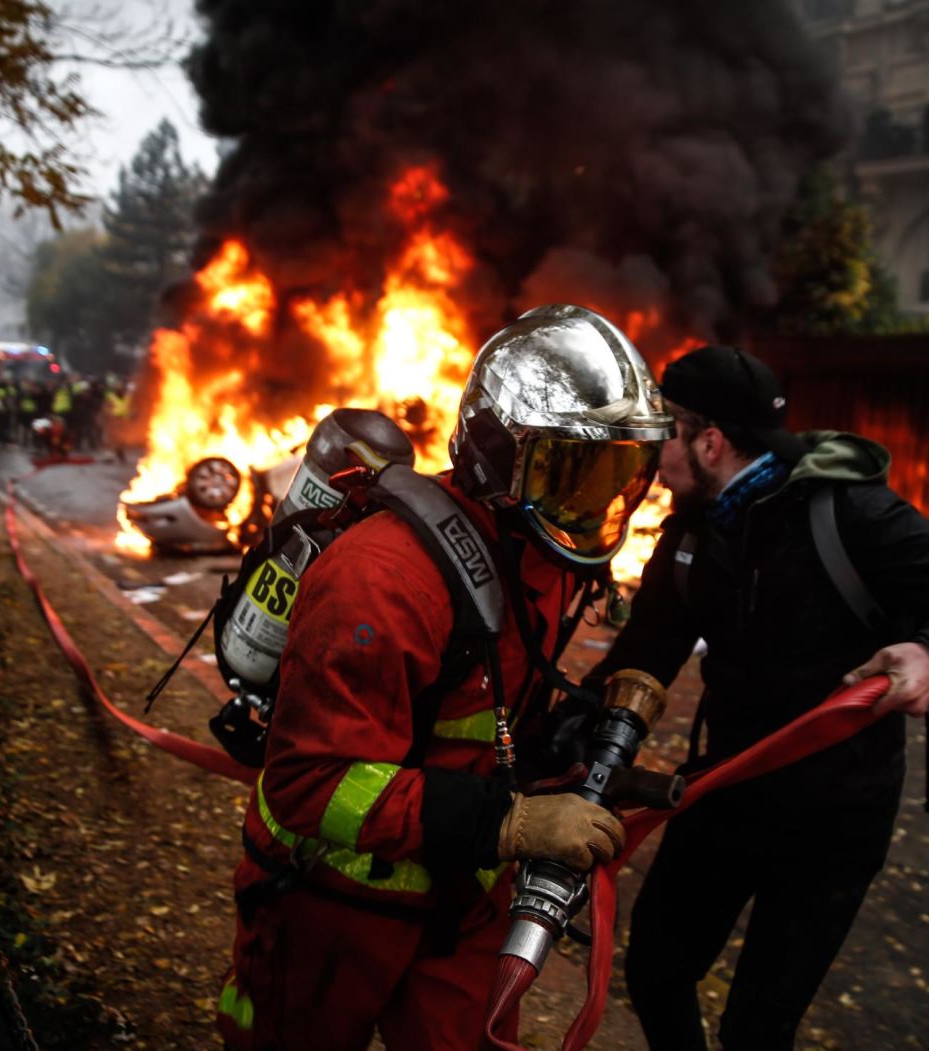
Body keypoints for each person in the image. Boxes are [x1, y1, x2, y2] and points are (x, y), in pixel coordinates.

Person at [216, 304, 673, 1051]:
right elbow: (309, 782)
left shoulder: (542, 558)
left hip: (461, 897)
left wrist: (563, 748)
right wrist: (509, 822)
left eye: (615, 474)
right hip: (330, 899)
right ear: (502, 452)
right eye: (576, 472)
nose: (595, 506)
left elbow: (491, 708)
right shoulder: (377, 580)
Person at [592, 344, 929, 1050]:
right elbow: (641, 657)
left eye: (662, 428)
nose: (650, 448)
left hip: (834, 822)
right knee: (654, 970)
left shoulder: (852, 515)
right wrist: (552, 744)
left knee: (757, 1028)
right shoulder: (688, 535)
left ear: (707, 440)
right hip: (730, 789)